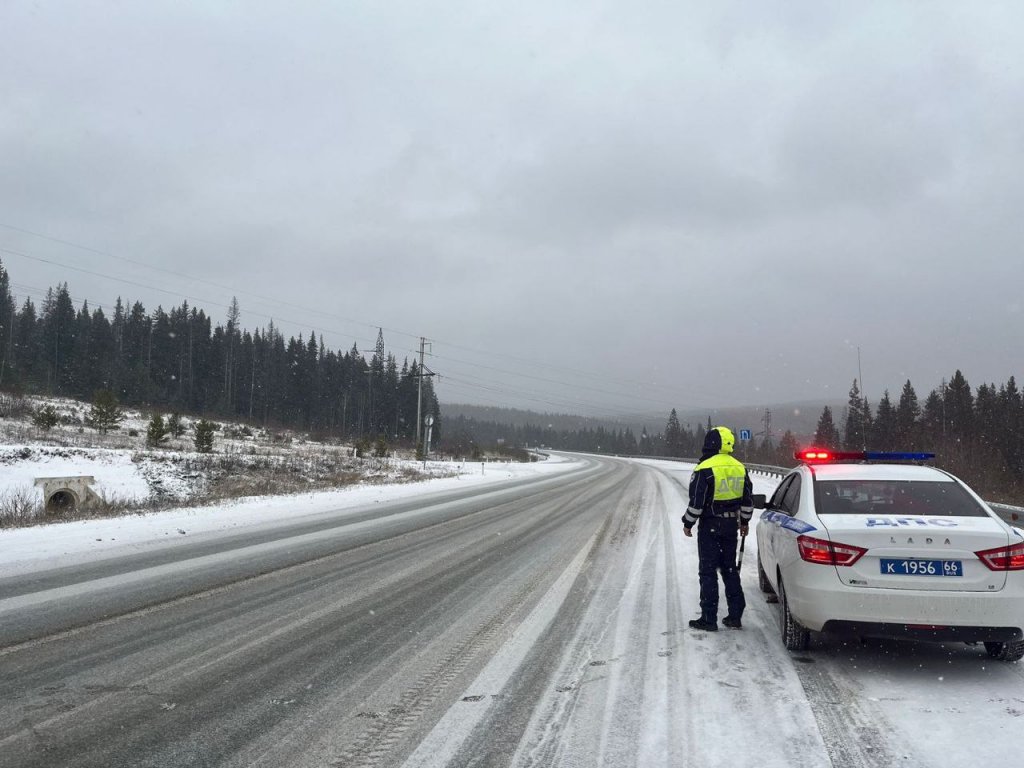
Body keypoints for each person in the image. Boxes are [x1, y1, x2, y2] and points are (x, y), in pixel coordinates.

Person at [682, 426, 754, 631]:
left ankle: (708, 617)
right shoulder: (740, 467)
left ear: (709, 443)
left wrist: (688, 523)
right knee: (730, 569)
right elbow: (747, 501)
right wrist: (745, 522)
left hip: (710, 526)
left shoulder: (704, 468)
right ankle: (735, 615)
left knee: (707, 571)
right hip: (731, 526)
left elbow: (696, 503)